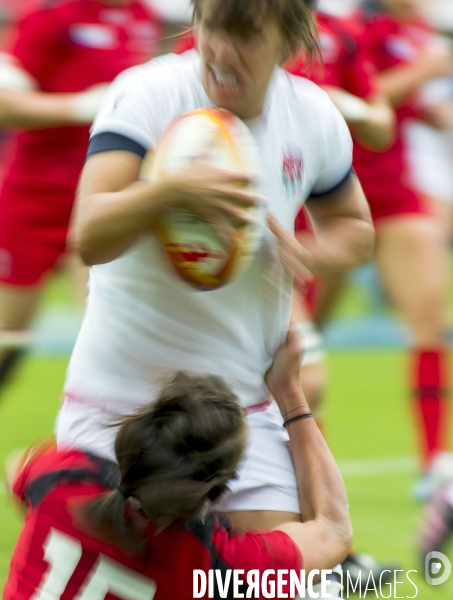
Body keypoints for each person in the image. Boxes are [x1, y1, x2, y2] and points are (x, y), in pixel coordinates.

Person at [57, 0, 374, 533]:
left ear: (288, 43)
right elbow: (88, 235)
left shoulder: (313, 117)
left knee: (276, 580)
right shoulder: (148, 93)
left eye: (246, 34)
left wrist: (308, 253)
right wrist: (168, 191)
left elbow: (355, 228)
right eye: (212, 27)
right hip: (117, 414)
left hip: (240, 422)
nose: (221, 51)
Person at [4, 331, 351, 599]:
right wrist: (290, 395)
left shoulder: (66, 476)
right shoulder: (214, 560)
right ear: (219, 489)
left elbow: (14, 466)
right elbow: (334, 532)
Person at [0, 0, 162, 388]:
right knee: (8, 336)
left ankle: (101, 442)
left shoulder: (144, 16)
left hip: (104, 197)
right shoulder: (51, 16)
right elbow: (6, 104)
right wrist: (79, 107)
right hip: (35, 198)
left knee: (110, 334)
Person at [349, 0, 453, 498]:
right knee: (295, 339)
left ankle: (434, 462)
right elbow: (357, 98)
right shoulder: (360, 31)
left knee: (429, 323)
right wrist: (423, 72)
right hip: (337, 196)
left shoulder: (411, 35)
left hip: (397, 195)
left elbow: (400, 105)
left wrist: (432, 113)